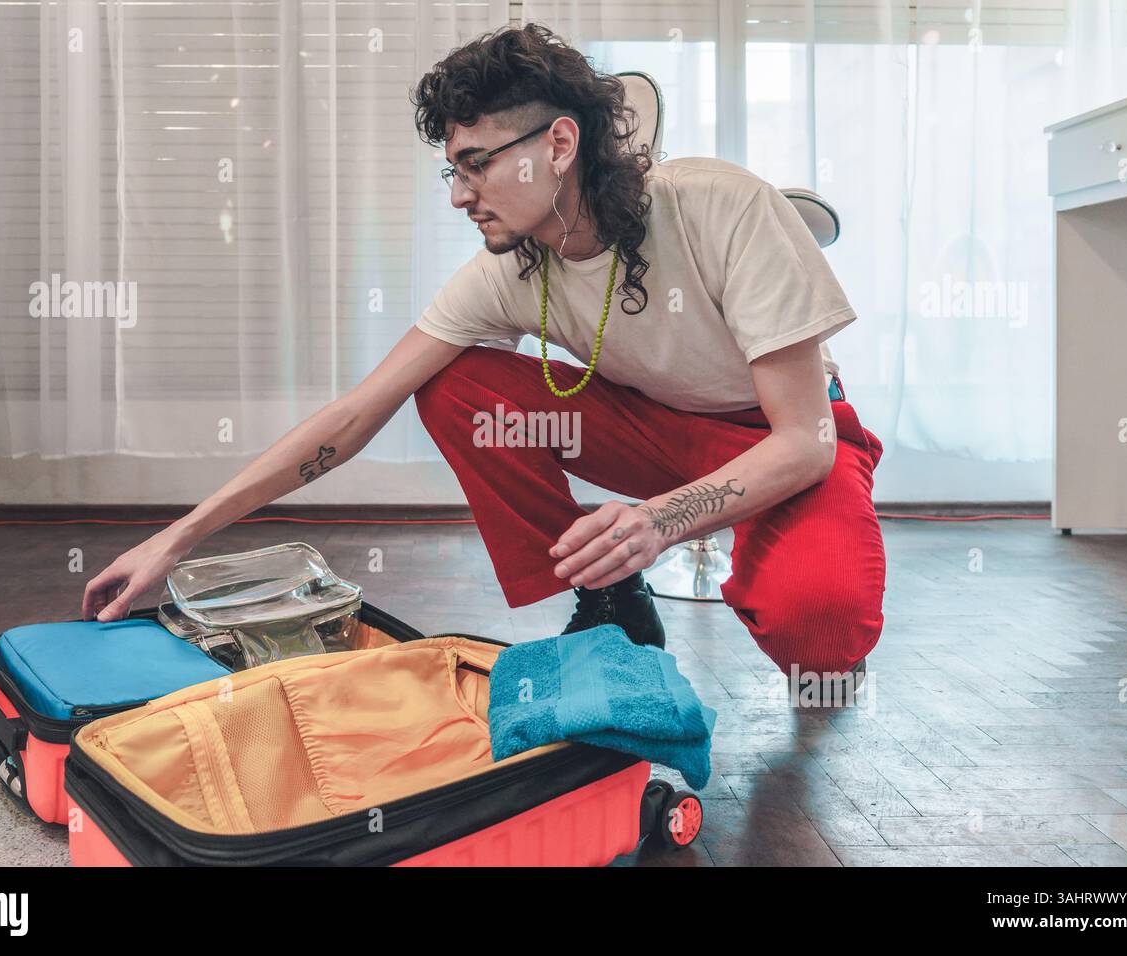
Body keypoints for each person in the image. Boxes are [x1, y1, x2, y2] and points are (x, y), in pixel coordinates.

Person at [84, 23, 885, 686]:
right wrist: (175, 540)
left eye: (477, 165)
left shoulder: (722, 205)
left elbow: (801, 439)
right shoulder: (509, 268)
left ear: (560, 142)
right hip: (653, 431)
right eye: (452, 170)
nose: (461, 196)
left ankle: (756, 555)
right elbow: (357, 413)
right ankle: (611, 595)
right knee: (454, 383)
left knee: (821, 640)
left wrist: (661, 520)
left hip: (787, 439)